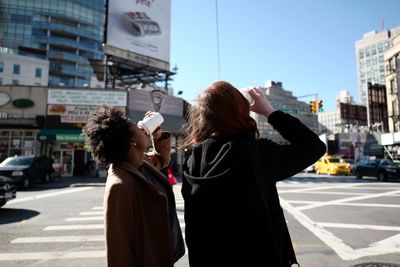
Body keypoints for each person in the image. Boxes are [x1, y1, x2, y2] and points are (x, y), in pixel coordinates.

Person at [181, 81, 326, 267]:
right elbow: (314, 147)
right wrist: (269, 112)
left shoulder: (192, 160)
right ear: (239, 111)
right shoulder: (257, 153)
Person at [83, 105, 185, 267]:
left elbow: (161, 160)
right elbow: (119, 250)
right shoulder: (119, 185)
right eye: (136, 126)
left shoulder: (140, 161)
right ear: (131, 141)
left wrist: (156, 137)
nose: (141, 126)